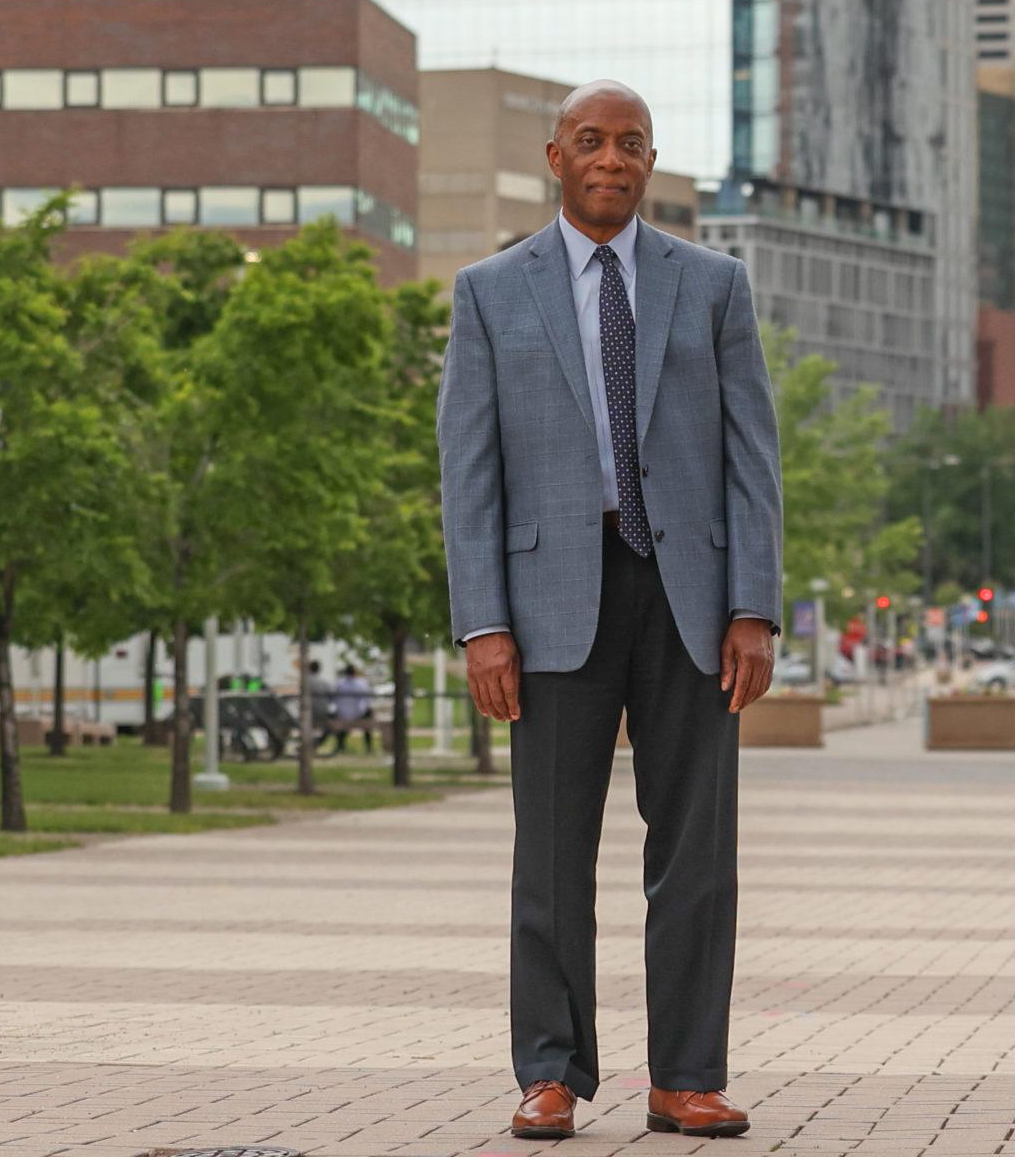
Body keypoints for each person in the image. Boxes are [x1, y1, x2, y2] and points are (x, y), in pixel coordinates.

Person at [438, 79, 781, 1142]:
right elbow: (470, 472)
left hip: (689, 600)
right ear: (554, 157)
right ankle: (549, 1072)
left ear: (647, 162)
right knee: (549, 855)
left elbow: (750, 455)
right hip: (548, 605)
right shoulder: (490, 291)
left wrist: (754, 607)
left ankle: (685, 1077)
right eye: (590, 141)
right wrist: (481, 621)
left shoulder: (713, 285)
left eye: (631, 144)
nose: (611, 159)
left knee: (696, 854)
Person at [321, 665, 375, 754]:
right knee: (368, 716)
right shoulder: (361, 683)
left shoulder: (340, 683)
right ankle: (369, 747)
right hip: (358, 715)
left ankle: (340, 745)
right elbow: (366, 701)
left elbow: (333, 700)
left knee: (337, 721)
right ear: (355, 672)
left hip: (343, 715)